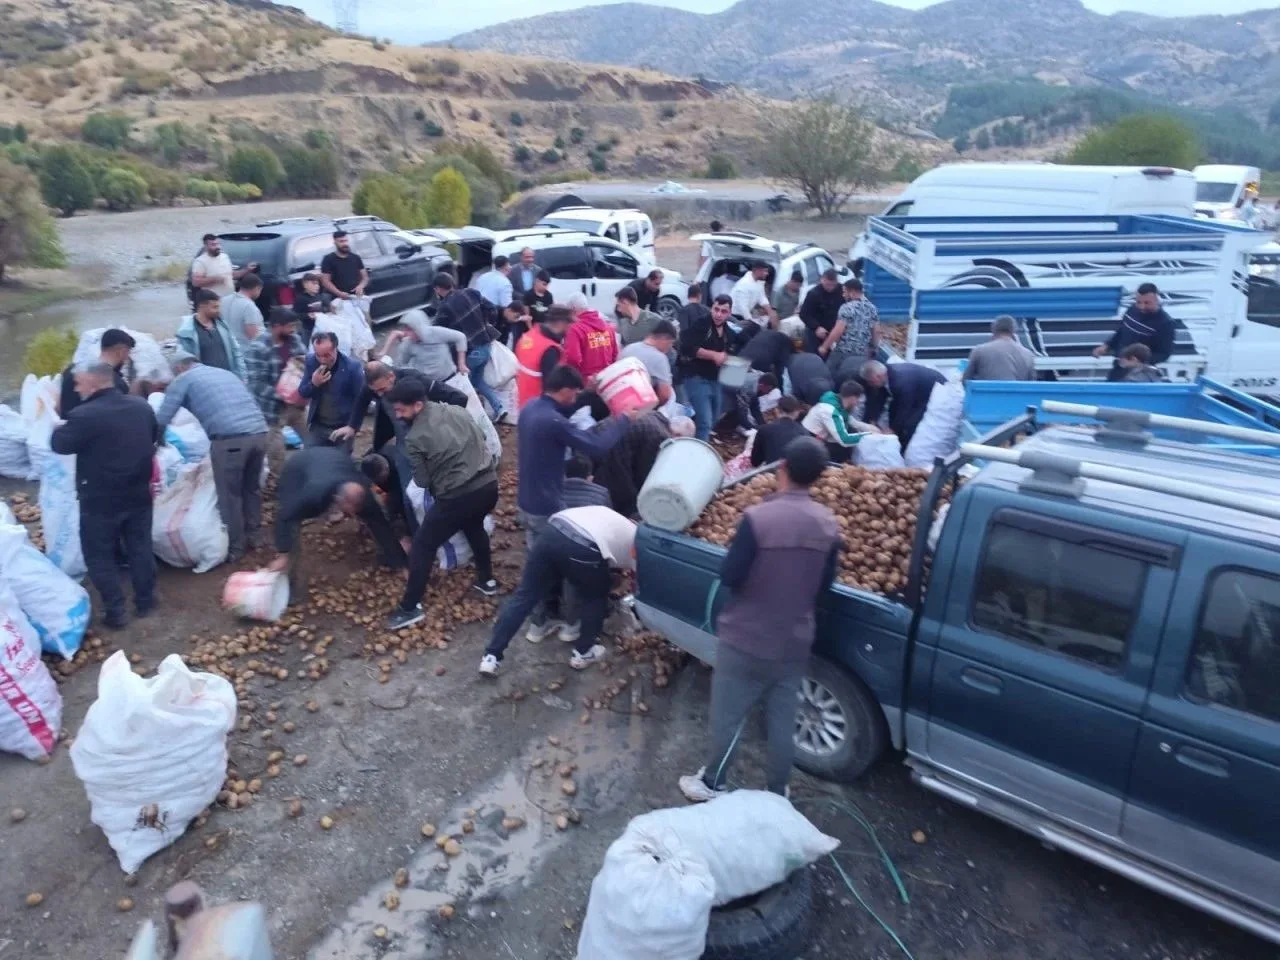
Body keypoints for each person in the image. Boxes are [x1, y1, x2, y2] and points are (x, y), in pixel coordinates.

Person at [679, 436, 840, 801]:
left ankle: (713, 783)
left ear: (782, 468)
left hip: (747, 637)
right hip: (795, 639)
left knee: (729, 714)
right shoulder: (828, 524)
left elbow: (731, 575)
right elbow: (825, 586)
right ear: (817, 477)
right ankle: (777, 790)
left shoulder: (758, 518)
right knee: (783, 717)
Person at [517, 365, 633, 639]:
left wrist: (588, 394)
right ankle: (572, 625)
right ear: (565, 390)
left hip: (526, 502)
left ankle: (539, 623)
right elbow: (596, 446)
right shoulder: (553, 422)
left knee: (538, 565)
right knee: (570, 564)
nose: (575, 397)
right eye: (575, 393)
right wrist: (624, 420)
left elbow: (563, 415)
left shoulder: (531, 409)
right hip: (548, 507)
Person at [384, 378, 500, 630]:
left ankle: (410, 607)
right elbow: (481, 437)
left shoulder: (415, 438)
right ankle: (487, 581)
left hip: (458, 497)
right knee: (474, 526)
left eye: (401, 410)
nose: (398, 415)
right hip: (489, 486)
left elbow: (423, 481)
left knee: (423, 544)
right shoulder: (457, 410)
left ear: (418, 405)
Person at [50, 363, 158, 629]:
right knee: (140, 548)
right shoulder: (141, 406)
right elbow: (155, 435)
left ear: (93, 383)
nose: (76, 388)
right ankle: (145, 602)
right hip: (138, 493)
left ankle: (116, 611)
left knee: (99, 555)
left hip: (100, 499)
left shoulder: (83, 415)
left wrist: (56, 423)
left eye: (78, 383)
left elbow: (60, 445)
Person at [481, 503, 636, 676]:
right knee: (595, 597)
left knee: (525, 596)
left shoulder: (614, 519)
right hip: (583, 546)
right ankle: (584, 652)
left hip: (551, 533)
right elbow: (638, 579)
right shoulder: (637, 541)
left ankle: (491, 656)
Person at [156, 351, 269, 562]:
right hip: (259, 434)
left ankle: (236, 547)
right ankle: (255, 535)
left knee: (230, 495)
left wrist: (158, 443)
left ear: (178, 368)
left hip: (230, 441)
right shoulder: (224, 373)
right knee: (251, 488)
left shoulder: (183, 379)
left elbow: (162, 418)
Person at [267, 447, 406, 598]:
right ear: (338, 500)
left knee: (371, 515)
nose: (352, 515)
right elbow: (285, 516)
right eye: (349, 510)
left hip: (333, 459)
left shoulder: (361, 494)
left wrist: (401, 564)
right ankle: (289, 588)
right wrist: (283, 553)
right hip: (297, 470)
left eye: (356, 509)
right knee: (291, 528)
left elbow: (380, 524)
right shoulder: (312, 496)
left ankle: (390, 560)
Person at [431, 272, 504, 422]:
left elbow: (436, 332)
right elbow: (492, 309)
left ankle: (475, 418)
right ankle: (500, 408)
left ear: (438, 289)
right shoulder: (471, 292)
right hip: (486, 346)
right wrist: (486, 325)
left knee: (463, 387)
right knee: (477, 381)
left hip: (470, 352)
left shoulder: (445, 307)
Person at [244, 308, 307, 477]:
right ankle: (281, 481)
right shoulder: (257, 348)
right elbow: (256, 384)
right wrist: (284, 395)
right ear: (277, 326)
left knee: (312, 438)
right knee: (276, 452)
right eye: (290, 326)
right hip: (272, 408)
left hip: (297, 405)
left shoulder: (294, 340)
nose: (293, 330)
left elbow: (305, 360)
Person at [592, 409, 671, 518]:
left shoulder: (651, 416)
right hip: (617, 473)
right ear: (677, 435)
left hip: (605, 458)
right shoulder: (660, 436)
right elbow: (644, 472)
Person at [1094, 282, 1176, 381]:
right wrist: (1107, 346)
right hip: (1119, 368)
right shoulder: (1132, 310)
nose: (1142, 306)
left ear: (1157, 300)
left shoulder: (1165, 323)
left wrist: (1138, 362)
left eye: (1147, 303)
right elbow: (1122, 331)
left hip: (1140, 374)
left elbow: (1164, 354)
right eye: (1138, 302)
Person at [678, 293, 733, 441]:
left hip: (715, 379)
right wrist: (713, 355)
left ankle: (690, 440)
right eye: (716, 309)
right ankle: (698, 449)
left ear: (729, 313)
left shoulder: (728, 332)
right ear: (711, 308)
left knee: (714, 417)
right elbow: (687, 348)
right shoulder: (701, 324)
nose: (718, 314)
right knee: (705, 422)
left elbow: (732, 350)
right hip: (696, 377)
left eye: (723, 311)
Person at [858, 360, 946, 450]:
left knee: (910, 422)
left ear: (879, 376)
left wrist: (892, 430)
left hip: (934, 390)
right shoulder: (886, 375)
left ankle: (904, 447)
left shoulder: (900, 381)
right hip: (915, 390)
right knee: (893, 411)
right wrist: (870, 422)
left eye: (871, 382)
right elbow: (877, 401)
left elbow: (904, 408)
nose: (870, 384)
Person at [299, 331, 365, 452]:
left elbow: (361, 400)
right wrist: (314, 384)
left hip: (342, 426)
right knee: (310, 458)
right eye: (318, 355)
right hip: (318, 425)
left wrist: (353, 427)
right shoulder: (311, 361)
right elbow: (303, 392)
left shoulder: (352, 368)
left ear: (336, 348)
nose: (322, 360)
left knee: (340, 461)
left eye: (327, 355)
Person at [59, 328, 133, 417]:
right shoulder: (117, 383)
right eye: (128, 353)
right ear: (121, 352)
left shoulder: (71, 370)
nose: (127, 358)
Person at [382, 309, 468, 382]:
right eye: (405, 330)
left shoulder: (436, 333)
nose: (407, 333)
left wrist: (461, 363)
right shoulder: (408, 344)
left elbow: (460, 337)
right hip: (429, 384)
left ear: (418, 328)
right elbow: (400, 365)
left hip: (450, 377)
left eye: (410, 330)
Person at [177, 289, 246, 380]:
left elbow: (236, 352)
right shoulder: (187, 332)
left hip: (228, 378)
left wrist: (242, 377)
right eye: (215, 307)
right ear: (202, 306)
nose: (218, 310)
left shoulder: (223, 326)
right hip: (204, 381)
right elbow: (186, 362)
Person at [515, 304, 572, 411]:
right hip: (539, 408)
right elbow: (552, 388)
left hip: (523, 403)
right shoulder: (550, 350)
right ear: (561, 323)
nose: (571, 328)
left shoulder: (530, 335)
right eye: (569, 324)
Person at [802, 380, 873, 463]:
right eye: (858, 399)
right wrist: (869, 436)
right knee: (844, 446)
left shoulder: (836, 404)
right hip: (809, 446)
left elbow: (853, 422)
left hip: (814, 439)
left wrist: (871, 429)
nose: (857, 403)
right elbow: (845, 440)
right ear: (853, 398)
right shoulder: (831, 412)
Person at [821, 278, 879, 373]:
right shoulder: (872, 308)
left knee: (827, 374)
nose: (843, 295)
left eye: (845, 292)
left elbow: (838, 331)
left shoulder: (846, 308)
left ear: (852, 292)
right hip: (862, 354)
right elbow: (876, 331)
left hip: (843, 352)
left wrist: (824, 347)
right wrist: (874, 348)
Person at [562, 292, 619, 386]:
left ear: (573, 310)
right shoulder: (608, 327)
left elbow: (573, 358)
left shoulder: (575, 329)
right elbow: (615, 354)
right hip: (606, 380)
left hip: (585, 383)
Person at [620, 319, 678, 407]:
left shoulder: (628, 349)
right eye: (671, 343)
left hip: (620, 402)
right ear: (664, 339)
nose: (670, 348)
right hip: (641, 406)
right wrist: (654, 407)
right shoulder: (659, 358)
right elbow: (665, 394)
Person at [962, 315, 1036, 382]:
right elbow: (1031, 384)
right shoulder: (1028, 354)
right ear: (1014, 330)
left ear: (993, 329)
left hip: (988, 393)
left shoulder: (979, 350)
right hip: (1018, 393)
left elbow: (966, 381)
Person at [191, 233, 256, 299]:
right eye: (213, 245)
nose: (217, 247)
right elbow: (196, 282)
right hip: (213, 301)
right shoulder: (200, 261)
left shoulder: (224, 257)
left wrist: (247, 269)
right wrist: (215, 279)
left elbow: (232, 274)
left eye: (217, 244)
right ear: (206, 246)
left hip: (230, 298)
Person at [750, 395, 807, 467]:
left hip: (773, 472)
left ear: (777, 410)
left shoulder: (764, 429)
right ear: (797, 412)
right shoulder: (804, 432)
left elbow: (755, 461)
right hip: (797, 471)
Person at [799, 268, 844, 354]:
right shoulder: (813, 294)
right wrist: (816, 327)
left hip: (834, 331)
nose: (830, 288)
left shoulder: (842, 291)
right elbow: (804, 314)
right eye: (828, 284)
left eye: (833, 285)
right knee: (813, 355)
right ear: (822, 280)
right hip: (816, 331)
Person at [320, 230, 368, 301]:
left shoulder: (355, 257)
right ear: (335, 243)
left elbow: (365, 277)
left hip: (357, 297)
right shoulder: (328, 259)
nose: (345, 244)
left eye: (346, 241)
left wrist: (360, 286)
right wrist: (339, 293)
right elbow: (325, 281)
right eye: (341, 241)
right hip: (338, 299)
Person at [220, 273, 265, 347]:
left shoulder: (223, 300)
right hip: (244, 349)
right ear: (257, 288)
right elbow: (253, 334)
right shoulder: (249, 306)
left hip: (226, 347)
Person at [730, 261, 778, 330]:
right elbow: (743, 307)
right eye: (765, 271)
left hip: (747, 314)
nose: (767, 274)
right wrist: (752, 323)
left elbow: (762, 297)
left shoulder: (759, 281)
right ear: (757, 271)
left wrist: (770, 312)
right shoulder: (744, 284)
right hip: (736, 317)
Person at [292, 273, 330, 342]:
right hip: (308, 329)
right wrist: (308, 315)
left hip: (321, 327)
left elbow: (327, 308)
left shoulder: (320, 296)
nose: (317, 286)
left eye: (318, 284)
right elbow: (295, 314)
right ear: (305, 284)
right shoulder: (300, 299)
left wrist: (323, 310)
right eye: (314, 284)